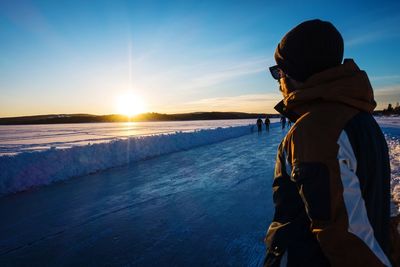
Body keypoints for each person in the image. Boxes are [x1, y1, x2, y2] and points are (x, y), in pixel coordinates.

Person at [264, 19, 400, 267]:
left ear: (297, 72)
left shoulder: (315, 129)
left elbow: (343, 237)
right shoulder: (361, 119)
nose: (278, 80)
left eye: (279, 70)